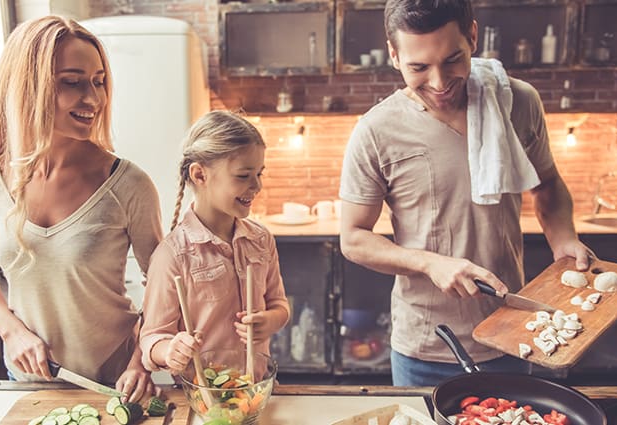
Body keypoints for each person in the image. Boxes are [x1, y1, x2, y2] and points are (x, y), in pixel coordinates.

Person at [338, 0, 593, 387]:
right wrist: (430, 264)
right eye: (418, 67)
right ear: (394, 54)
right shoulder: (376, 130)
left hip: (511, 333)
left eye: (453, 59)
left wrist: (564, 238)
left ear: (473, 36)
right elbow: (354, 238)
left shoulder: (517, 102)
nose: (439, 82)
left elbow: (548, 184)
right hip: (424, 345)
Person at [0, 15, 163, 401]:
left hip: (117, 381)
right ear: (27, 87)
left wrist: (140, 361)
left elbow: (163, 286)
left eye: (99, 82)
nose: (95, 99)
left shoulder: (129, 184)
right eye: (72, 83)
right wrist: (12, 332)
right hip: (29, 380)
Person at [139, 111, 290, 374]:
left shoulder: (261, 240)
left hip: (258, 390)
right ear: (200, 175)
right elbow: (151, 338)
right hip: (204, 398)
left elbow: (280, 304)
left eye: (259, 174)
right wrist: (170, 350)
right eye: (243, 176)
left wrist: (271, 320)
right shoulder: (172, 256)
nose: (256, 185)